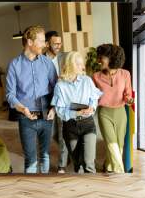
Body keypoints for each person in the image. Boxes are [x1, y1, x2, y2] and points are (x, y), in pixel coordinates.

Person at [6, 26, 57, 174]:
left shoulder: (47, 63)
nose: (44, 44)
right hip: (26, 117)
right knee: (30, 158)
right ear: (29, 42)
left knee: (45, 155)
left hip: (47, 116)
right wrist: (22, 109)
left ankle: (45, 188)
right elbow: (10, 94)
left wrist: (53, 108)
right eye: (41, 41)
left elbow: (56, 89)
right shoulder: (14, 65)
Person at [51, 51, 102, 173]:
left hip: (88, 124)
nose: (83, 67)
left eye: (82, 64)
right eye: (79, 64)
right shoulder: (60, 86)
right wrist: (76, 113)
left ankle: (93, 191)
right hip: (70, 127)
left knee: (89, 164)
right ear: (70, 65)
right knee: (78, 165)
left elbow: (94, 98)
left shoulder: (87, 81)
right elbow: (60, 111)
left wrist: (92, 107)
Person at [92, 44, 133, 173]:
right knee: (112, 144)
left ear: (111, 58)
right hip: (104, 112)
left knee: (119, 145)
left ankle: (108, 167)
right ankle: (121, 174)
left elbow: (128, 93)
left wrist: (129, 99)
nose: (99, 60)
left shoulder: (125, 74)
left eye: (101, 57)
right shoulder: (96, 76)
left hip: (121, 113)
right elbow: (93, 97)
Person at [44, 30, 68, 173]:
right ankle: (68, 152)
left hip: (63, 100)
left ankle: (62, 164)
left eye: (60, 43)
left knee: (63, 133)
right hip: (48, 101)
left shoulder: (65, 57)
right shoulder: (40, 60)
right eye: (55, 43)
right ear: (47, 44)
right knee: (53, 134)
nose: (59, 46)